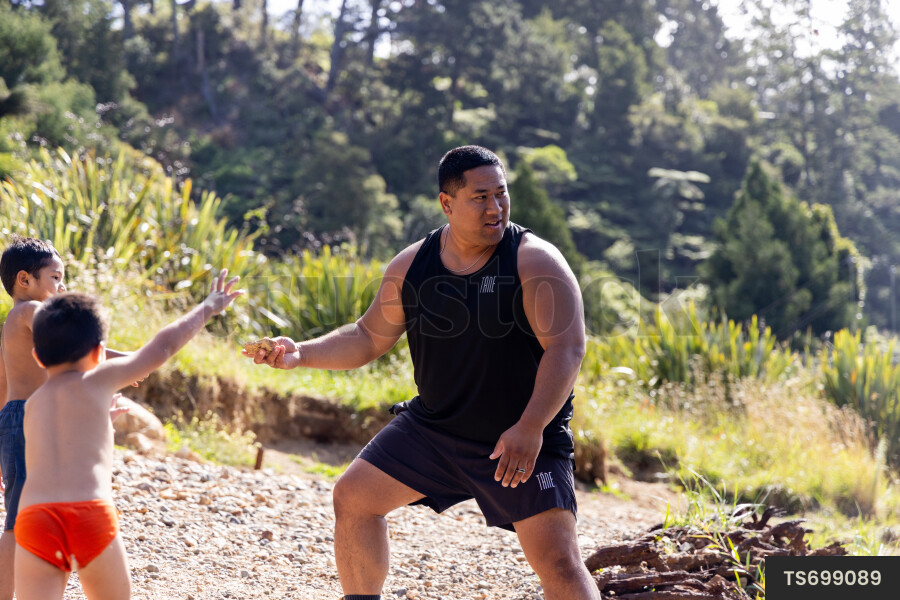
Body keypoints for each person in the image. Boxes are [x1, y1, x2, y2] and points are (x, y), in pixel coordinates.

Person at [248, 145, 600, 600]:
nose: (495, 208)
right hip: (435, 429)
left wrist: (531, 427)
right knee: (354, 497)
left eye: (501, 194)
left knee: (559, 563)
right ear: (447, 203)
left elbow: (567, 350)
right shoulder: (414, 265)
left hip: (519, 440)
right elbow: (367, 337)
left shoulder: (534, 261)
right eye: (480, 198)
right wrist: (300, 354)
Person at [13, 269, 242, 600]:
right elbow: (161, 348)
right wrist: (208, 306)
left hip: (35, 518)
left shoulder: (32, 405)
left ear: (37, 356)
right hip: (88, 512)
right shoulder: (98, 379)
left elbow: (59, 445)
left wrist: (101, 419)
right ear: (99, 352)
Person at [0, 237, 138, 600]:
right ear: (24, 280)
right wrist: (127, 358)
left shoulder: (14, 326)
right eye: (56, 278)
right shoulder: (27, 313)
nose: (62, 288)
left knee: (25, 514)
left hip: (26, 422)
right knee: (17, 521)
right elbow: (69, 333)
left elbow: (2, 386)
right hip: (25, 422)